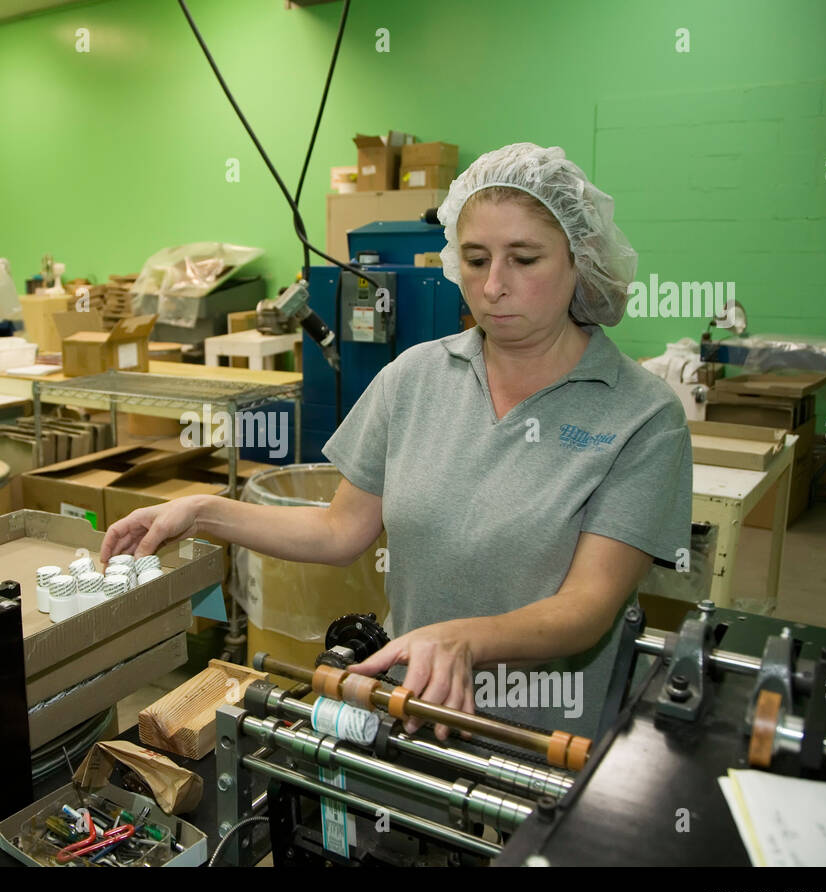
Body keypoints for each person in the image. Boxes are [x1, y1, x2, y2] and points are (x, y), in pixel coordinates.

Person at [101, 143, 692, 743]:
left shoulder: (640, 416)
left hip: (544, 734)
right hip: (410, 712)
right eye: (475, 258)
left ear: (579, 260)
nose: (492, 286)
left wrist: (464, 641)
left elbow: (587, 608)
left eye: (524, 259)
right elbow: (339, 532)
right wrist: (200, 512)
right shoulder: (414, 378)